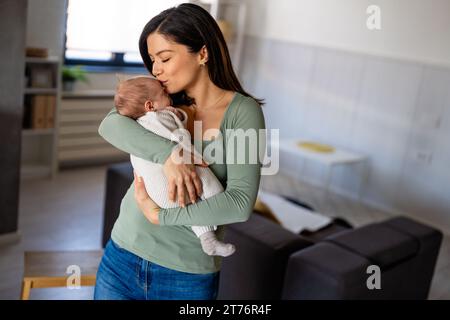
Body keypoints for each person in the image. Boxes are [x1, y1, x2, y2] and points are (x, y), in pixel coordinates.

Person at [94, 3, 265, 300]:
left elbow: (239, 202)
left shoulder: (242, 113)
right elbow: (109, 125)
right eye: (151, 59)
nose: (155, 69)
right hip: (121, 255)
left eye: (164, 58)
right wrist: (169, 155)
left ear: (202, 53)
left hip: (185, 276)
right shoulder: (161, 96)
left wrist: (162, 217)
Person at [114, 76, 236, 257]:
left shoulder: (137, 125)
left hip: (158, 193)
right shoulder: (155, 119)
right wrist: (191, 154)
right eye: (163, 93)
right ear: (150, 106)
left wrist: (178, 115)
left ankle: (208, 240)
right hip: (166, 181)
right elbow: (178, 136)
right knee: (207, 183)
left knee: (190, 205)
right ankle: (220, 208)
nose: (167, 93)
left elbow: (174, 123)